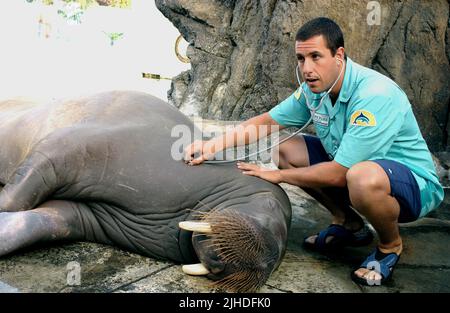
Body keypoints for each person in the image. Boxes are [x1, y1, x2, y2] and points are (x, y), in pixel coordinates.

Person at [183, 17, 444, 286]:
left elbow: (339, 174)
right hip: (354, 170)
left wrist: (278, 177)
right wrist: (211, 146)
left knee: (361, 177)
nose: (307, 68)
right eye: (301, 58)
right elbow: (266, 122)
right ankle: (349, 224)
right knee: (286, 150)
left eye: (316, 56)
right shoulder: (314, 90)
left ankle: (390, 247)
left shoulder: (375, 95)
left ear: (338, 55)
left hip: (413, 186)